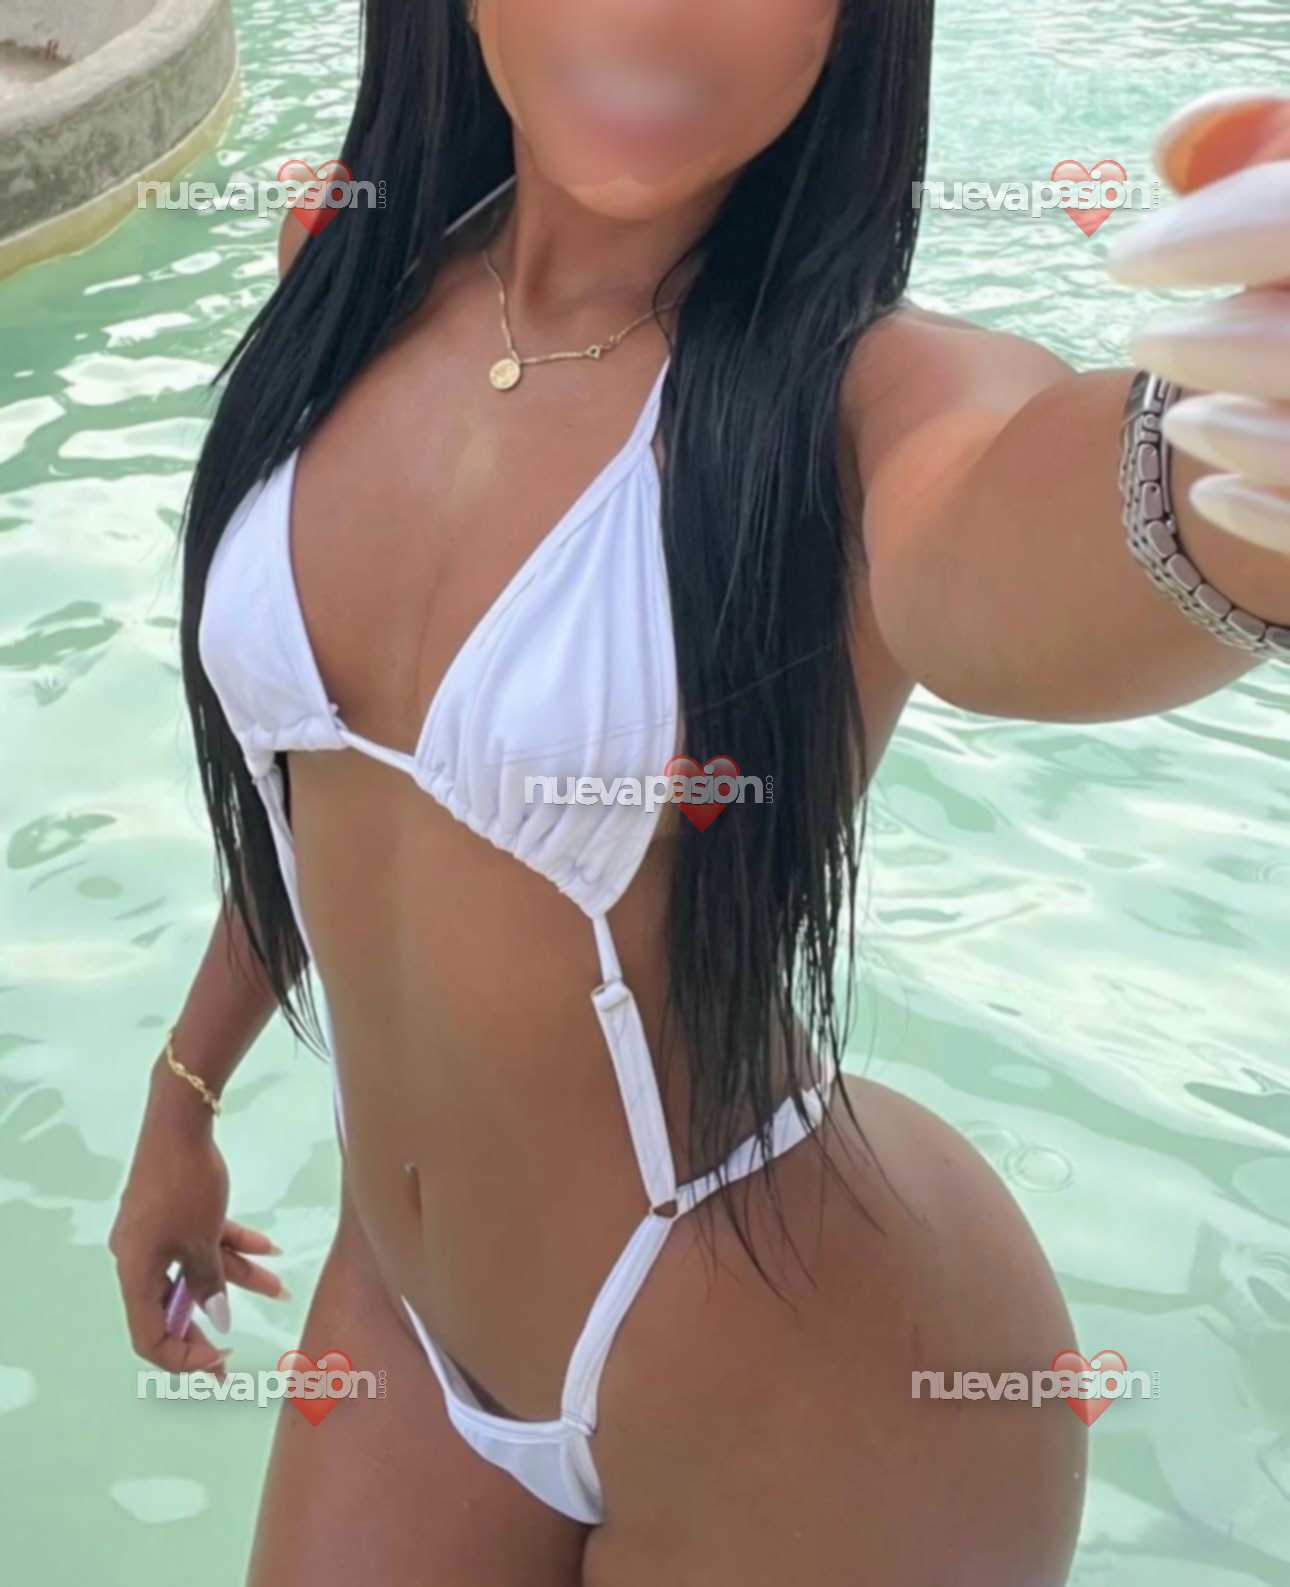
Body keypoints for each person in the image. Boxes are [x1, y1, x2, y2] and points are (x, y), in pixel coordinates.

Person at [108, 0, 1290, 1580]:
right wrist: (182, 1098)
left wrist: (1236, 464)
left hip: (794, 1365)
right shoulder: (343, 273)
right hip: (399, 1309)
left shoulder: (873, 401)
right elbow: (307, 791)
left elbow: (1027, 547)